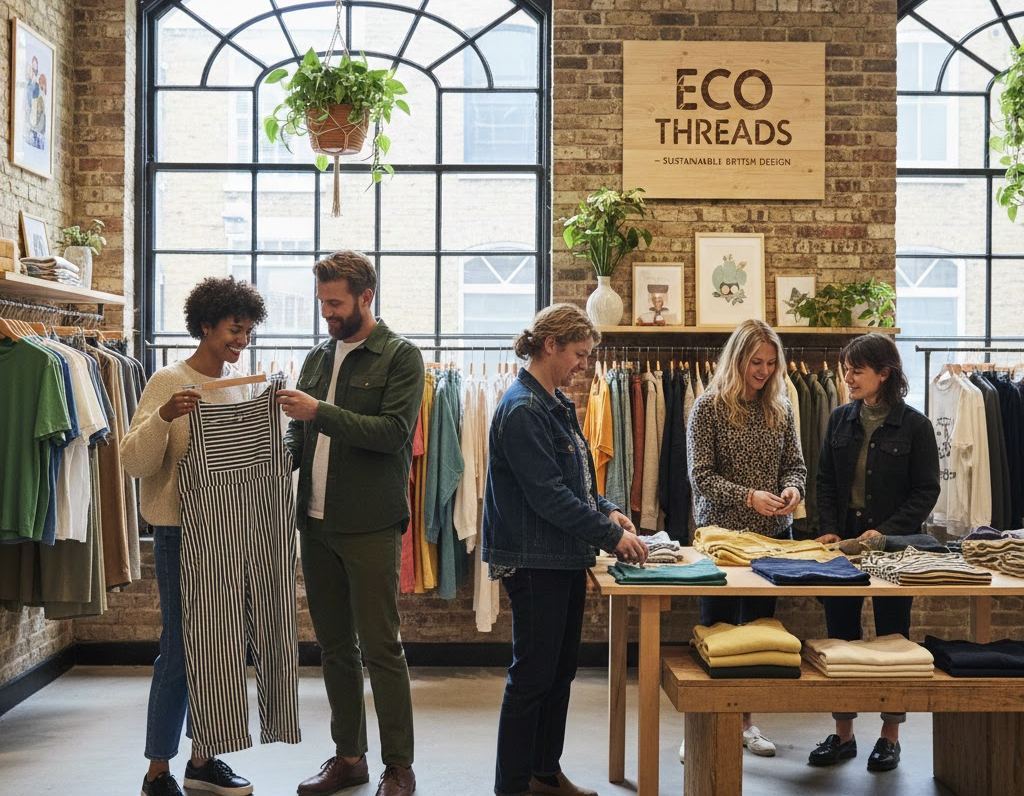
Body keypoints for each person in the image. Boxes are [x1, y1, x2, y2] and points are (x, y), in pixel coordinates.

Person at [482, 303, 649, 796]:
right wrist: (611, 536)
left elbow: (575, 481)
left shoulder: (552, 402)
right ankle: (512, 787)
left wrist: (608, 509)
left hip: (560, 557)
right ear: (550, 345)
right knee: (533, 676)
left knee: (558, 673)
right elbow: (548, 495)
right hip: (534, 562)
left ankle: (544, 773)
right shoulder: (523, 409)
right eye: (579, 353)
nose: (584, 364)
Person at [277, 250, 425, 796]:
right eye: (322, 302)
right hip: (314, 523)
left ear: (366, 296)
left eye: (336, 302)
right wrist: (277, 459)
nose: (327, 313)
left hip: (369, 523)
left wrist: (319, 411)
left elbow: (392, 434)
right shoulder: (318, 357)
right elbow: (299, 435)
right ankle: (349, 758)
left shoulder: (401, 357)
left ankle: (400, 766)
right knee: (335, 647)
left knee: (382, 647)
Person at [122, 277, 268, 796]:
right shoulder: (169, 380)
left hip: (230, 534)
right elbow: (133, 461)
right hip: (180, 535)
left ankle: (203, 760)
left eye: (248, 332)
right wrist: (164, 416)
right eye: (234, 330)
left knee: (220, 648)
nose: (242, 341)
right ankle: (157, 771)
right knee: (181, 650)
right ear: (205, 326)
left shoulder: (241, 385)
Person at [809, 333, 940, 773]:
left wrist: (885, 532)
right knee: (840, 639)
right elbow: (825, 481)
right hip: (843, 546)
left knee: (894, 640)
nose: (847, 378)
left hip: (894, 549)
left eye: (857, 371)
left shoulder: (916, 426)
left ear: (884, 373)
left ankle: (889, 737)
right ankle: (843, 734)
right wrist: (829, 528)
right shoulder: (839, 419)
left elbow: (926, 492)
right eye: (845, 370)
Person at [685, 319, 806, 760]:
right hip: (721, 541)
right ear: (737, 359)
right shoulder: (708, 407)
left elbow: (796, 465)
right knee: (716, 630)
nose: (764, 370)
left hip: (770, 540)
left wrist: (792, 490)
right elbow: (700, 477)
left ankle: (746, 722)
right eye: (756, 362)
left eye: (771, 363)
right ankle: (702, 725)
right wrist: (748, 497)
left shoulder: (781, 406)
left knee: (757, 634)